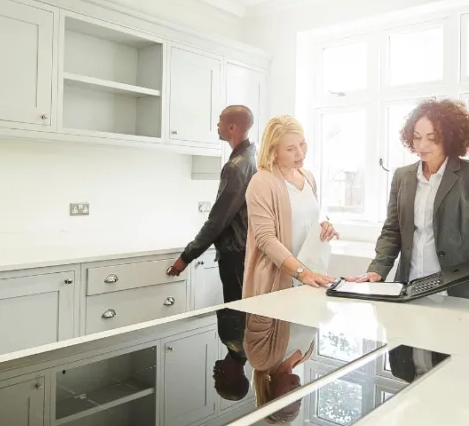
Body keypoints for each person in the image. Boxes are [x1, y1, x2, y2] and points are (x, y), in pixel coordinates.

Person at [349, 98, 469, 298]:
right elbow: (392, 229)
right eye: (417, 137)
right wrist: (377, 269)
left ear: (449, 138)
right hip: (409, 284)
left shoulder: (466, 176)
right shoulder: (402, 176)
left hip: (456, 289)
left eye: (432, 138)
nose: (422, 145)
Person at [168, 105, 257, 331]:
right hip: (246, 248)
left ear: (232, 127)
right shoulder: (251, 157)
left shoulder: (236, 167)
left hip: (235, 252)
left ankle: (237, 353)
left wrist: (186, 256)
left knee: (236, 316)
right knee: (244, 313)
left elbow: (218, 220)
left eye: (220, 121)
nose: (217, 125)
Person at [242, 114, 337, 301]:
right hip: (277, 282)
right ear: (274, 151)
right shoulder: (261, 183)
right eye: (290, 149)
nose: (300, 153)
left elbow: (301, 220)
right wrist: (302, 273)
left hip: (309, 280)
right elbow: (266, 239)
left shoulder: (308, 177)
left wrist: (322, 227)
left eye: (302, 144)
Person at [245, 313, 316, 424]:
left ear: (271, 391)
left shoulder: (260, 359)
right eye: (298, 400)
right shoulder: (306, 355)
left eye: (290, 398)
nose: (297, 392)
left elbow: (261, 310)